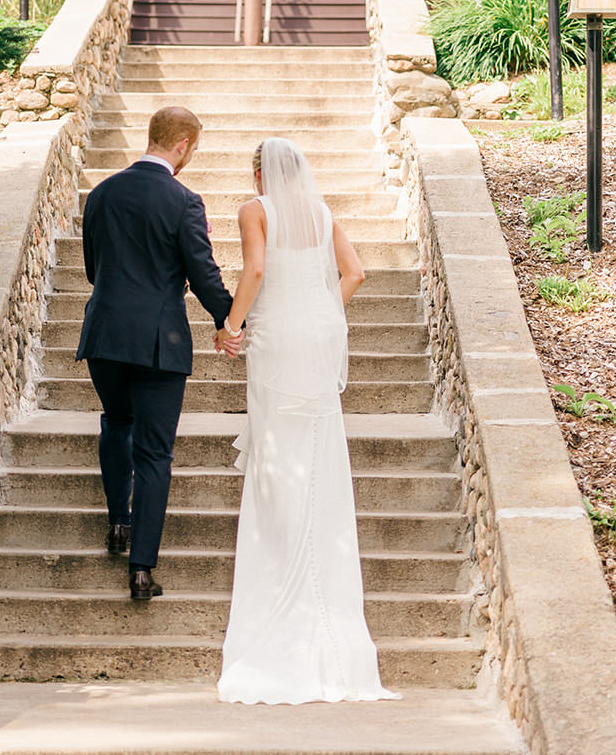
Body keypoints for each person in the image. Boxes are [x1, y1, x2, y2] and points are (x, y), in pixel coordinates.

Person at [214, 137, 400, 705]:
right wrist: (318, 310)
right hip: (317, 337)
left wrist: (231, 326)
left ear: (259, 173)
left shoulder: (254, 210)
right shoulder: (321, 213)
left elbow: (255, 269)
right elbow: (356, 274)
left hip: (276, 338)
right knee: (316, 451)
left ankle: (281, 572)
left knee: (276, 459)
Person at [76, 104, 240, 601]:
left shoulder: (100, 194)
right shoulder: (184, 200)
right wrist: (232, 319)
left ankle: (117, 523)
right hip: (158, 343)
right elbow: (204, 274)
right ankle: (141, 570)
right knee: (154, 454)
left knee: (115, 422)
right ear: (184, 145)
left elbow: (91, 269)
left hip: (104, 334)